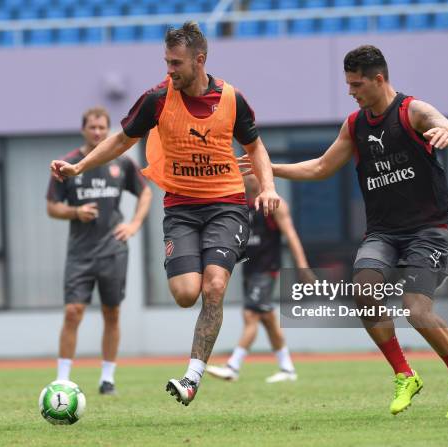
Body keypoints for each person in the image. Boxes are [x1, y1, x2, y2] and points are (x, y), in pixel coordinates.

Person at [50, 22, 281, 406]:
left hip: (227, 202)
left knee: (215, 286)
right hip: (181, 208)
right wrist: (79, 167)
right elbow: (121, 140)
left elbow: (256, 148)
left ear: (200, 60)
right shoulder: (156, 99)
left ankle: (192, 377)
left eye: (176, 63)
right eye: (166, 62)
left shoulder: (232, 99)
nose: (169, 70)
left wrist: (268, 186)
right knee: (186, 293)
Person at [241, 45, 448, 418]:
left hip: (427, 232)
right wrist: (268, 168)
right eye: (348, 84)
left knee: (416, 311)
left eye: (356, 84)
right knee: (365, 293)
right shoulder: (355, 125)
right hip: (382, 233)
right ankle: (404, 374)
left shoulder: (413, 112)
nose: (351, 91)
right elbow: (320, 167)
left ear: (378, 79)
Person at [47, 106, 152, 395]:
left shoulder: (122, 163)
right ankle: (62, 380)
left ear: (108, 130)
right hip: (80, 252)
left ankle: (108, 379)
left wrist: (133, 225)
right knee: (73, 312)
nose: (97, 132)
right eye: (92, 127)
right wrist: (75, 211)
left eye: (102, 128)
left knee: (112, 313)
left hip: (113, 251)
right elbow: (51, 207)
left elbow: (146, 192)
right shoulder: (68, 164)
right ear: (83, 129)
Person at [206, 175, 313, 383]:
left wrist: (302, 267)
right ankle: (287, 368)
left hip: (267, 269)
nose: (245, 177)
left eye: (250, 171)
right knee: (267, 319)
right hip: (249, 269)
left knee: (251, 315)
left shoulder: (274, 203)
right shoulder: (239, 205)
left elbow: (290, 235)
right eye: (242, 172)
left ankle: (233, 366)